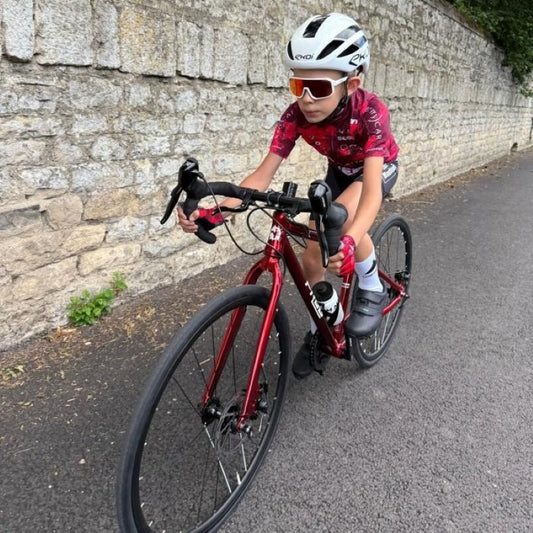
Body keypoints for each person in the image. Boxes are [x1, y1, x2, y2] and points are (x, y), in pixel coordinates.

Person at [177, 13, 399, 379]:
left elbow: (371, 191)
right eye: (298, 85)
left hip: (375, 170)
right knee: (312, 254)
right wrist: (216, 212)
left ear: (352, 83)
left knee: (343, 221)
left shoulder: (370, 112)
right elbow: (261, 175)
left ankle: (372, 287)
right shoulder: (296, 115)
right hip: (338, 173)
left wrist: (349, 242)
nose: (307, 99)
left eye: (319, 88)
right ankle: (324, 328)